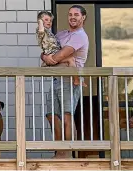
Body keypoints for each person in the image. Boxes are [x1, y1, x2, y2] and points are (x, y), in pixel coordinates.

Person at [41, 5, 89, 158]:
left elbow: (60, 55)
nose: (72, 17)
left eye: (76, 14)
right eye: (70, 14)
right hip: (56, 78)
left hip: (69, 80)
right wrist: (46, 58)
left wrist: (52, 59)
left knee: (67, 115)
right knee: (51, 115)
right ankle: (59, 151)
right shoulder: (61, 34)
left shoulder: (80, 35)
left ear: (83, 17)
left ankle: (67, 153)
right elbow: (45, 50)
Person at [36, 11, 86, 87]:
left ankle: (76, 80)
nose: (49, 22)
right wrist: (44, 57)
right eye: (46, 20)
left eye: (50, 21)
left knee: (70, 59)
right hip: (52, 53)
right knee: (70, 59)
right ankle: (77, 80)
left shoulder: (80, 35)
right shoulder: (42, 31)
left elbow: (61, 53)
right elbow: (40, 31)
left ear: (83, 17)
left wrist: (46, 58)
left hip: (65, 80)